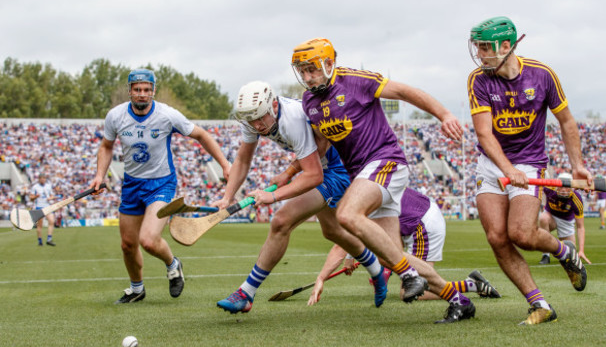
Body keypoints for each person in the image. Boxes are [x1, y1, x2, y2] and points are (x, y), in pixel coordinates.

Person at [292, 38, 475, 323]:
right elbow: (321, 146)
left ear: (329, 64)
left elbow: (404, 91)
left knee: (347, 214)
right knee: (392, 255)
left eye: (312, 69)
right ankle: (458, 299)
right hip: (363, 175)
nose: (307, 77)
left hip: (385, 161)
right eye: (302, 71)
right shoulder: (309, 102)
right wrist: (294, 165)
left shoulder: (354, 80)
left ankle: (410, 274)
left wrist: (444, 114)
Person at [215, 81, 388, 314]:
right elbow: (243, 160)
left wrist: (272, 196)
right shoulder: (253, 119)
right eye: (250, 120)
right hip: (320, 166)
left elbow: (314, 175)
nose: (256, 125)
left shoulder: (292, 120)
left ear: (273, 105)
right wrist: (227, 197)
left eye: (260, 118)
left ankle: (246, 293)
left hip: (340, 168)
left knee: (281, 220)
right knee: (333, 231)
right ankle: (376, 270)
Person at [467, 16, 590, 325]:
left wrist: (578, 164)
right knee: (497, 237)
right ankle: (540, 305)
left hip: (529, 161)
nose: (480, 54)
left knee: (521, 233)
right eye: (478, 47)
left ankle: (564, 252)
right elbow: (484, 134)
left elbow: (566, 121)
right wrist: (507, 169)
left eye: (485, 48)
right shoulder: (478, 80)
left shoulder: (542, 75)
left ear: (506, 46)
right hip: (492, 163)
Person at [89, 68, 231, 304]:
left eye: (146, 90)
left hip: (161, 184)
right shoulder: (115, 116)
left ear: (153, 91)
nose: (142, 94)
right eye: (137, 90)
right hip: (132, 185)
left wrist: (225, 165)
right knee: (127, 244)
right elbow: (106, 146)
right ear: (130, 91)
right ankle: (136, 289)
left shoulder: (167, 115)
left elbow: (202, 135)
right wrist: (99, 175)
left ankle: (173, 264)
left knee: (148, 239)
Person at [308, 187, 501, 305]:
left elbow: (341, 245)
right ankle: (471, 284)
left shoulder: (352, 197)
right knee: (396, 265)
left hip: (422, 224)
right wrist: (353, 257)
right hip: (415, 221)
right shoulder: (359, 183)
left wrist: (321, 278)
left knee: (416, 291)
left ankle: (472, 285)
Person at [539, 173, 590, 265]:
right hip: (550, 217)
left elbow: (580, 227)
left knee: (570, 255)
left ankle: (556, 245)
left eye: (566, 187)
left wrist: (581, 250)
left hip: (566, 222)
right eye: (561, 186)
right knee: (542, 218)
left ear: (572, 187)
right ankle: (546, 254)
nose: (563, 190)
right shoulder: (549, 188)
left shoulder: (576, 199)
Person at [30, 173, 56, 246]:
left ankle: (49, 239)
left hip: (47, 206)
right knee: (39, 225)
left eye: (44, 178)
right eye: (41, 178)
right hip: (39, 207)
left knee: (52, 221)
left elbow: (52, 196)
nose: (43, 179)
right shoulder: (35, 187)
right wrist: (36, 196)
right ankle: (40, 241)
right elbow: (31, 198)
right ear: (39, 179)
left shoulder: (48, 186)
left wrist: (50, 198)